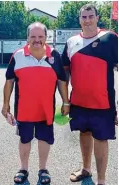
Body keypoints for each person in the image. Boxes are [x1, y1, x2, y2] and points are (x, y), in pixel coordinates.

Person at [2, 22, 69, 184]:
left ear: (46, 37)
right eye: (33, 36)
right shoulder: (18, 55)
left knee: (44, 139)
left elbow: (61, 80)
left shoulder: (54, 55)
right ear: (27, 38)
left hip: (46, 109)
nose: (37, 40)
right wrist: (6, 105)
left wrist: (66, 102)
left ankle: (43, 169)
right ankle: (23, 169)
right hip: (24, 110)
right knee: (24, 139)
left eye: (40, 36)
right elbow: (9, 81)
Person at [61, 4, 118, 185]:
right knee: (84, 133)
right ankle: (86, 169)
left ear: (97, 17)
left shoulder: (110, 38)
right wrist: (65, 100)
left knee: (101, 138)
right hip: (78, 102)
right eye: (84, 17)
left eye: (90, 16)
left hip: (103, 102)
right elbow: (65, 72)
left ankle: (101, 180)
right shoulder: (71, 42)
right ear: (79, 19)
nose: (87, 20)